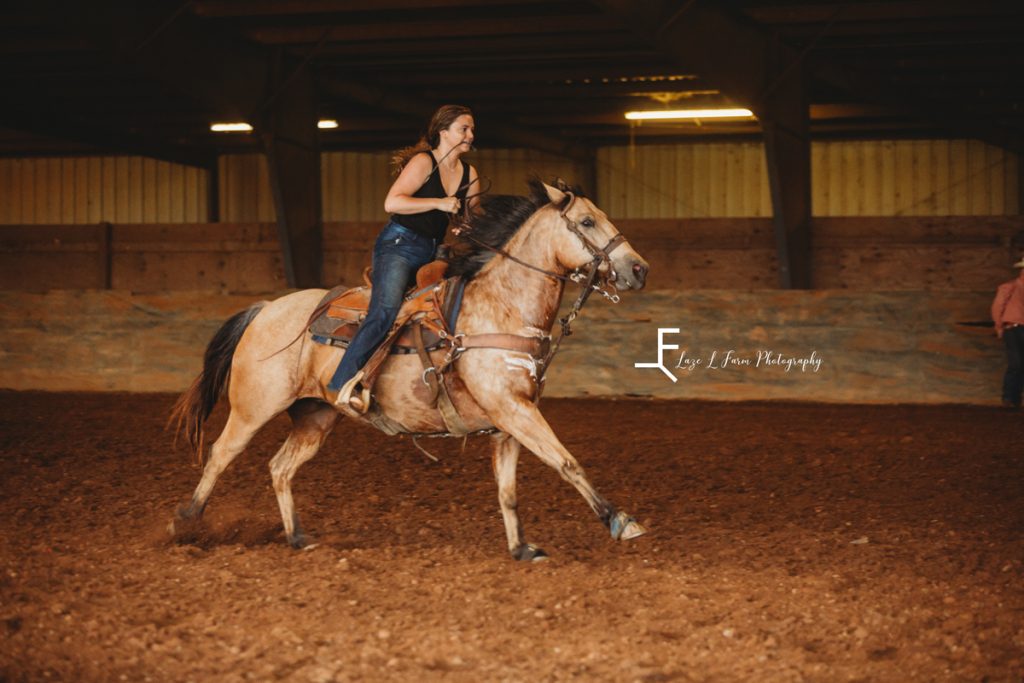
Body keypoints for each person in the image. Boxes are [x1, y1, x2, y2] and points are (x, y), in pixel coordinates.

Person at [328, 104, 479, 412]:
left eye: (472, 129)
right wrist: (439, 203)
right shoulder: (424, 162)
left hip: (434, 251)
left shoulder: (470, 173)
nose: (470, 135)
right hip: (399, 244)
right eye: (464, 128)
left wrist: (467, 226)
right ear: (443, 132)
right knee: (384, 310)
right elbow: (392, 202)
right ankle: (341, 383)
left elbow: (474, 216)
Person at [991, 256, 1024, 408]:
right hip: (1014, 328)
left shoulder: (1010, 287)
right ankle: (1010, 398)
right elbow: (997, 307)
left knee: (1017, 364)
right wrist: (999, 326)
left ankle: (1013, 398)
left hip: (1016, 328)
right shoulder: (1009, 287)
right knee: (1016, 364)